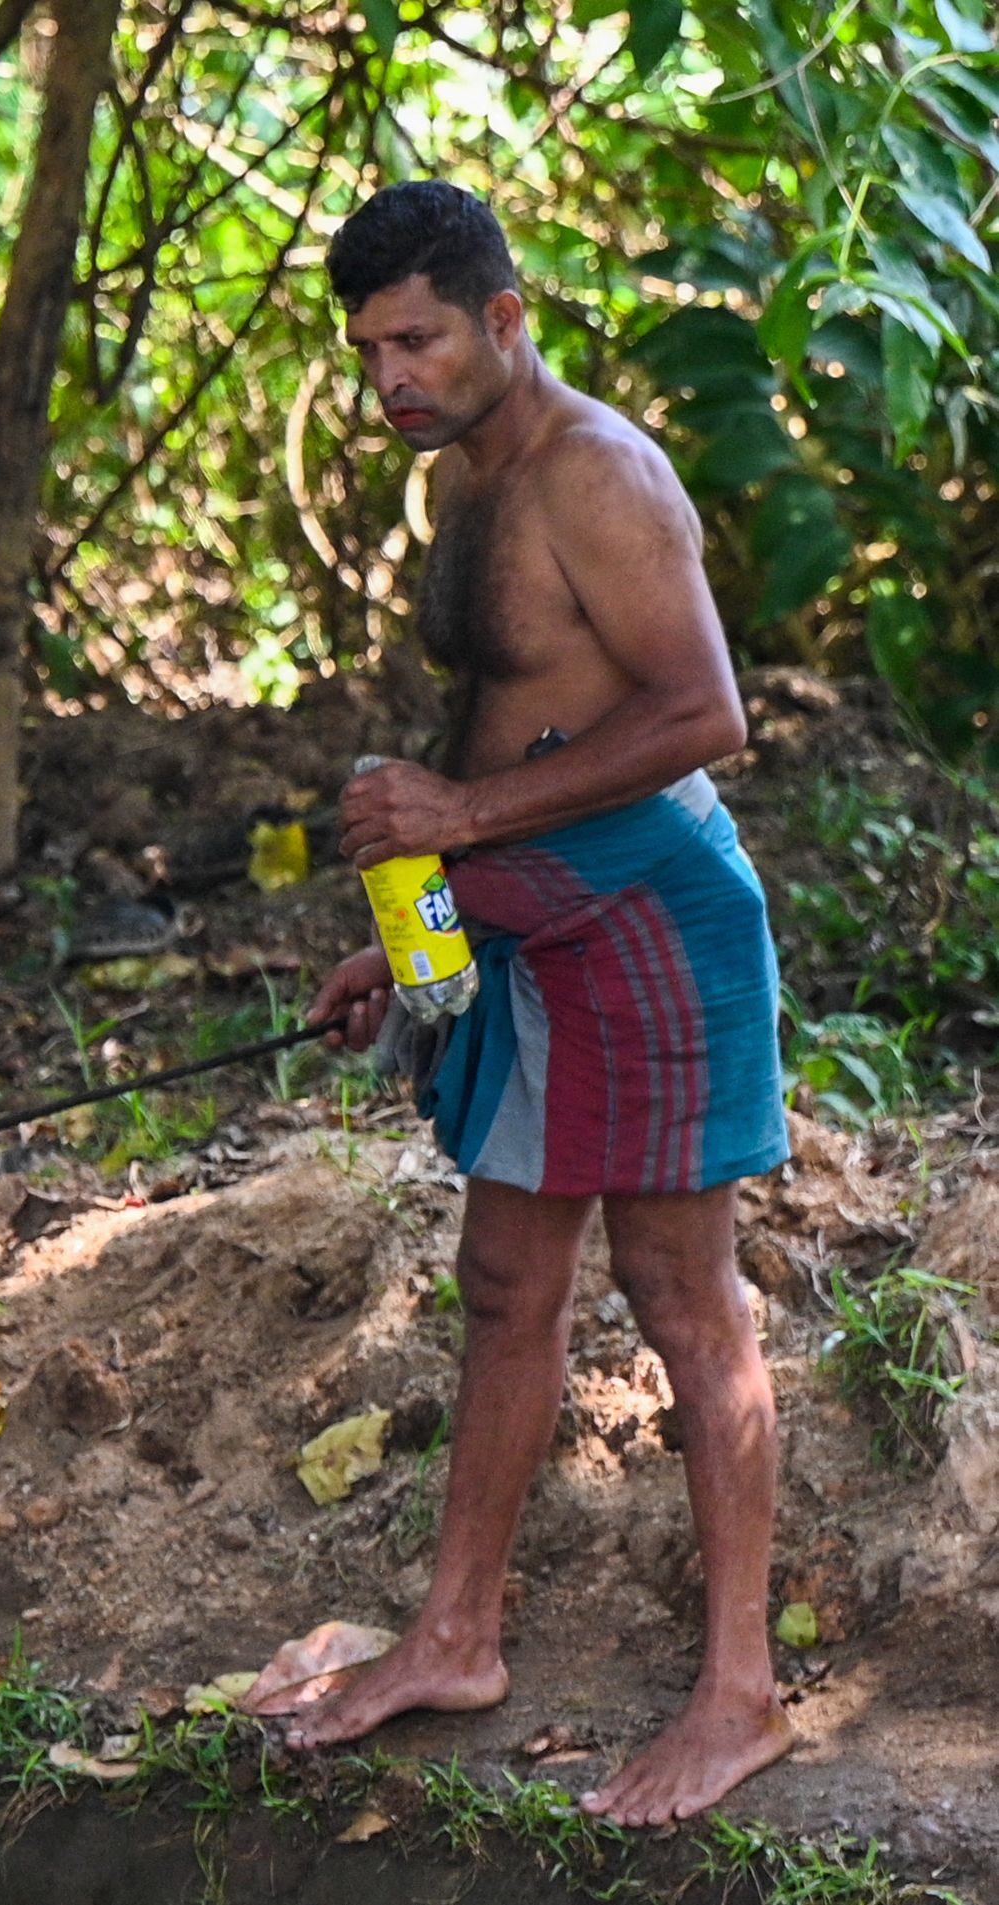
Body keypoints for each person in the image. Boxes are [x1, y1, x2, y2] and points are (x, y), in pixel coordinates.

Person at [289, 181, 794, 1827]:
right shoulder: (458, 473)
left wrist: (448, 828)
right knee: (506, 1277)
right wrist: (421, 930)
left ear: (504, 318)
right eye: (367, 349)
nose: (389, 377)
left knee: (677, 1289)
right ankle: (454, 1633)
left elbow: (701, 712)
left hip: (651, 918)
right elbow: (510, 729)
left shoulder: (600, 474)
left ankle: (741, 1696)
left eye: (418, 338)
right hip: (531, 918)